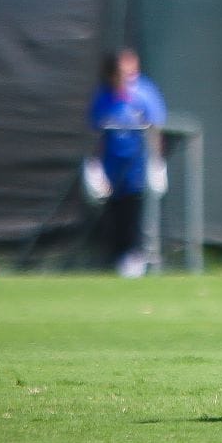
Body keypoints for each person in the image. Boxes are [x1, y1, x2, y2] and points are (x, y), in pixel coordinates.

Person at [87, 49, 167, 277]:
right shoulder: (104, 96)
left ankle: (136, 257)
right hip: (112, 167)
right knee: (115, 213)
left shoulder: (144, 91)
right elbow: (96, 132)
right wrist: (95, 167)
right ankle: (117, 258)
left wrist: (157, 161)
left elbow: (156, 127)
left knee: (137, 211)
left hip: (138, 166)